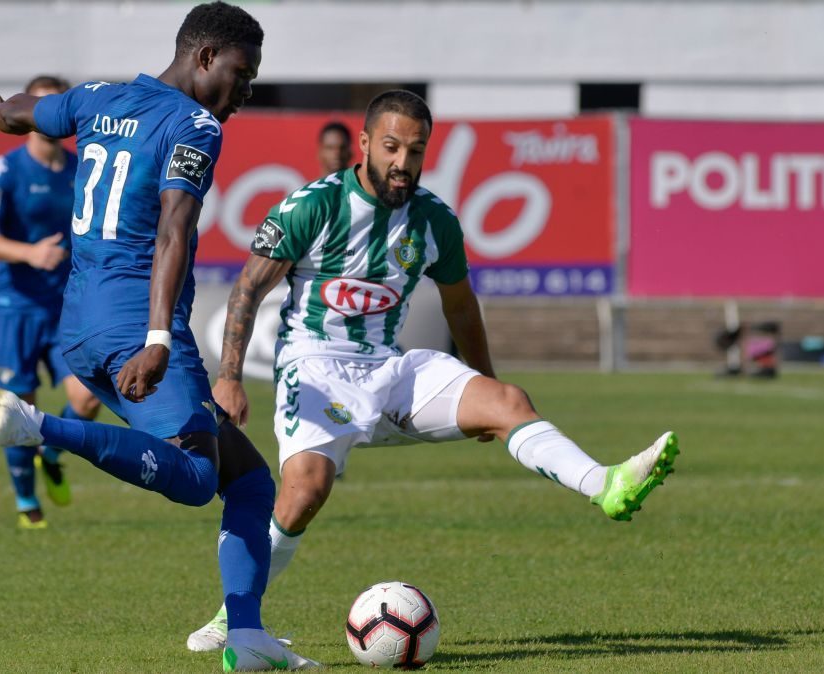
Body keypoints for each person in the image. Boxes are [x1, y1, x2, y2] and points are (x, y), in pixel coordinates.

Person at [186, 90, 681, 651]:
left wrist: (485, 379)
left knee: (510, 402)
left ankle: (606, 485)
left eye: (415, 150)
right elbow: (249, 287)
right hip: (315, 366)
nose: (403, 162)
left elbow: (460, 304)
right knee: (305, 491)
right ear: (367, 143)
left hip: (390, 368)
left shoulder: (433, 220)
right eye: (392, 147)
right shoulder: (312, 205)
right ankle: (237, 616)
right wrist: (228, 376)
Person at [0, 2, 316, 670]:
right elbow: (173, 231)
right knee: (194, 476)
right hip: (135, 327)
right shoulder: (195, 125)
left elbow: (20, 114)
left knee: (248, 482)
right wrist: (158, 337)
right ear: (206, 56)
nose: (245, 90)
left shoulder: (98, 97)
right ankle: (39, 428)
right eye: (242, 72)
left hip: (82, 326)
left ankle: (245, 637)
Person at [0, 75, 102, 530]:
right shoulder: (4, 171)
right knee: (18, 406)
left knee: (87, 398)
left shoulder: (83, 168)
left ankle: (53, 449)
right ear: (24, 111)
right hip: (18, 306)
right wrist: (31, 253)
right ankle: (27, 503)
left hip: (68, 306)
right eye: (40, 107)